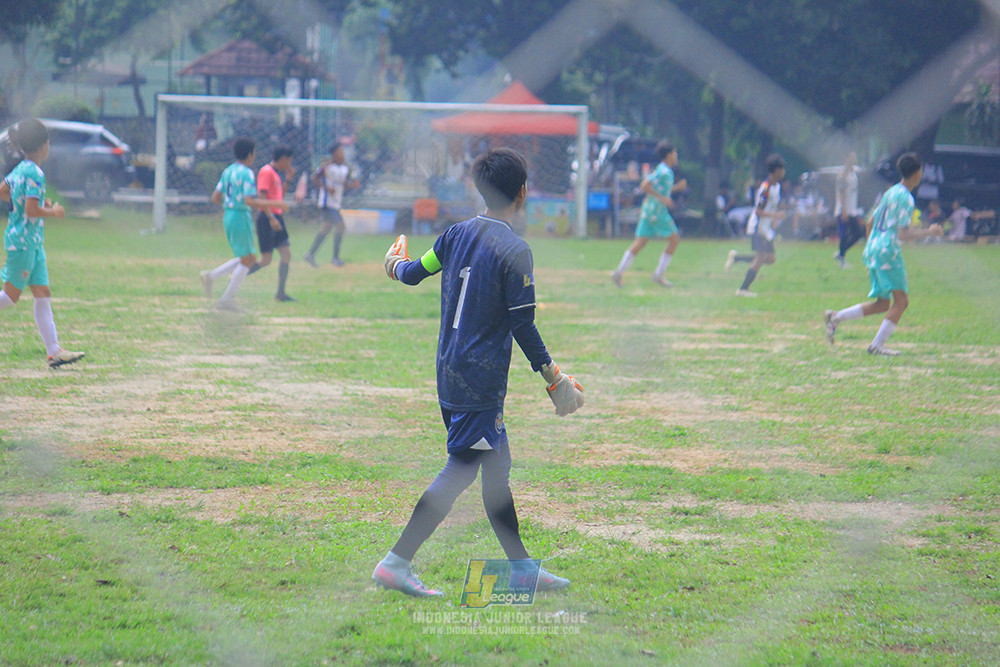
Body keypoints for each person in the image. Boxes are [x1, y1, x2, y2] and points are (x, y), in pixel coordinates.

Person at [372, 147, 584, 598]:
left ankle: (522, 568)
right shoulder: (515, 250)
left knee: (496, 469)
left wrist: (393, 264)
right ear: (523, 194)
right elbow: (522, 324)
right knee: (464, 467)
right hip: (480, 379)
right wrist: (555, 381)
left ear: (478, 188)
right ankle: (396, 561)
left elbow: (413, 273)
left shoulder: (455, 234)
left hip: (449, 368)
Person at [823, 152, 943, 356]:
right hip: (888, 251)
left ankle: (835, 317)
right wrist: (928, 232)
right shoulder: (905, 197)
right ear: (918, 173)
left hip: (874, 248)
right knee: (901, 302)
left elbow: (869, 222)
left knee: (882, 303)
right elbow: (902, 233)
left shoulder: (890, 192)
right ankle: (876, 346)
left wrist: (871, 251)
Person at [0, 118, 84, 368]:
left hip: (33, 243)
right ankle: (54, 350)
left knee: (42, 293)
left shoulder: (21, 169)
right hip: (24, 242)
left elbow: (5, 191)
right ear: (43, 145)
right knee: (10, 296)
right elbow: (31, 209)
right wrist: (53, 211)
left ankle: (54, 351)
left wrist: (35, 205)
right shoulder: (35, 172)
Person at [199, 138, 285, 311]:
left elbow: (215, 197)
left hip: (228, 216)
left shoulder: (228, 171)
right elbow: (249, 200)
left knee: (248, 257)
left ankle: (212, 276)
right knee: (248, 260)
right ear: (250, 154)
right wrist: (276, 204)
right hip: (240, 216)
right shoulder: (246, 173)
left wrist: (229, 206)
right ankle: (225, 300)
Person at [611, 140, 688, 288]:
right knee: (674, 240)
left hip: (649, 210)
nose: (676, 155)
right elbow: (645, 185)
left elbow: (661, 189)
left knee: (640, 242)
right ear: (669, 155)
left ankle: (618, 273)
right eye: (674, 152)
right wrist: (663, 199)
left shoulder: (662, 170)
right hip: (657, 212)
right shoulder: (664, 170)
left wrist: (676, 188)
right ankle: (659, 275)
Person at [724, 154, 786, 297]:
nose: (783, 172)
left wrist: (774, 219)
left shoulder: (777, 186)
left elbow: (770, 207)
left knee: (770, 259)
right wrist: (775, 216)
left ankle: (737, 258)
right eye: (782, 169)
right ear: (776, 170)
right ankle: (743, 289)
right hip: (758, 227)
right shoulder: (766, 188)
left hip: (766, 227)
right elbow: (758, 211)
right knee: (761, 256)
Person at [247, 146, 297, 302]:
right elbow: (262, 199)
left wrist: (288, 179)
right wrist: (271, 218)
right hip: (267, 218)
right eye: (288, 161)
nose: (289, 164)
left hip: (277, 216)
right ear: (282, 159)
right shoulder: (266, 172)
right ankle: (234, 278)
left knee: (286, 254)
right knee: (266, 259)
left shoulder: (275, 174)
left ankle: (280, 293)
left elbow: (278, 196)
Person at [304, 143, 359, 267]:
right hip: (327, 203)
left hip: (336, 203)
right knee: (340, 226)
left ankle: (310, 254)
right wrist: (326, 188)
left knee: (325, 229)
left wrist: (352, 185)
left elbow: (348, 182)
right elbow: (314, 178)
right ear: (334, 154)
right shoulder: (326, 167)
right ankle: (335, 258)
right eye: (339, 151)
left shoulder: (345, 168)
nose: (342, 154)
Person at [834, 152, 865, 268]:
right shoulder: (843, 174)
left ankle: (841, 252)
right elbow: (841, 193)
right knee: (844, 235)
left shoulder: (853, 173)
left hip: (852, 209)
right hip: (844, 210)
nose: (855, 159)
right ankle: (842, 260)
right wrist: (843, 210)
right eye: (852, 157)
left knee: (857, 233)